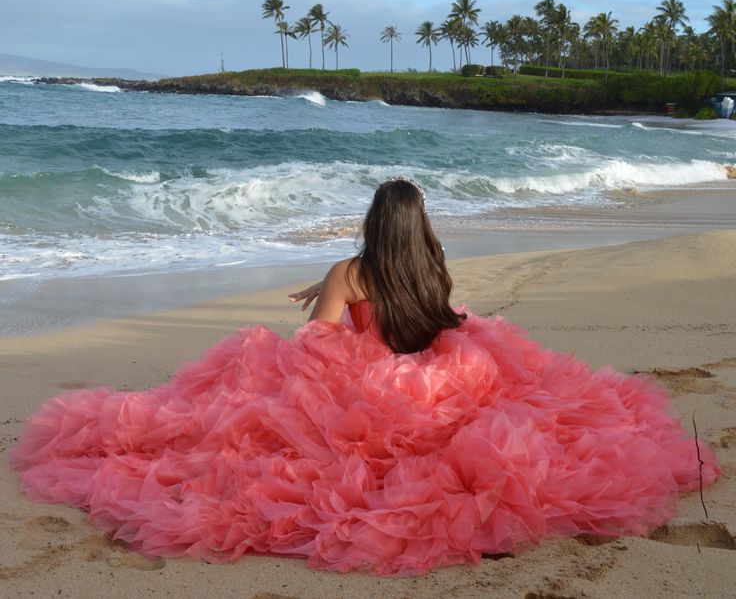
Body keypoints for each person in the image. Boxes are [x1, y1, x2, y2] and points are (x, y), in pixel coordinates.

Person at [11, 178, 721, 576]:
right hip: (436, 378)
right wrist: (321, 284)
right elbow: (430, 318)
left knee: (241, 405)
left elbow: (314, 342)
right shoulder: (431, 267)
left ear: (374, 223)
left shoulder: (353, 269)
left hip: (370, 390)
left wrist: (325, 289)